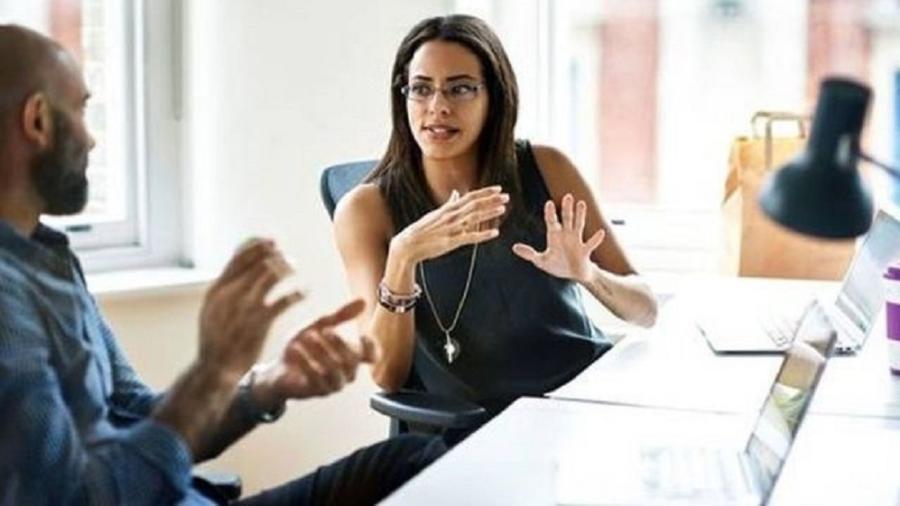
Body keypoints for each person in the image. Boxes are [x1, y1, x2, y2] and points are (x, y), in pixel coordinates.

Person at [0, 25, 444, 505]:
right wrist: (215, 368)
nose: (91, 141)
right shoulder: (7, 301)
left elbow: (139, 418)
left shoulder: (48, 257)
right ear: (38, 121)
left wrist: (267, 385)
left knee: (418, 460)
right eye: (82, 111)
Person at [334, 15, 658, 434]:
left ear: (495, 97)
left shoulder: (547, 167)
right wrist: (402, 258)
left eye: (461, 88)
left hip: (582, 408)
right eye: (421, 88)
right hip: (477, 432)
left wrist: (588, 275)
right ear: (403, 97)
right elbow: (386, 375)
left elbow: (646, 310)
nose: (438, 107)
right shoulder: (365, 210)